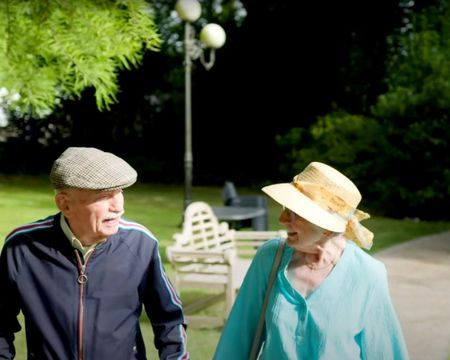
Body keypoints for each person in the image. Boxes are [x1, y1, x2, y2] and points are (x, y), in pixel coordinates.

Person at [0, 147, 189, 359]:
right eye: (105, 196)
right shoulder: (22, 247)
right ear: (65, 204)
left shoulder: (141, 244)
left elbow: (170, 320)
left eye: (120, 193)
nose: (118, 206)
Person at [213, 161, 409, 359]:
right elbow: (237, 339)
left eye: (295, 213)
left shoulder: (368, 274)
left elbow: (385, 351)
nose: (282, 219)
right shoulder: (270, 256)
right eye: (285, 209)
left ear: (327, 228)